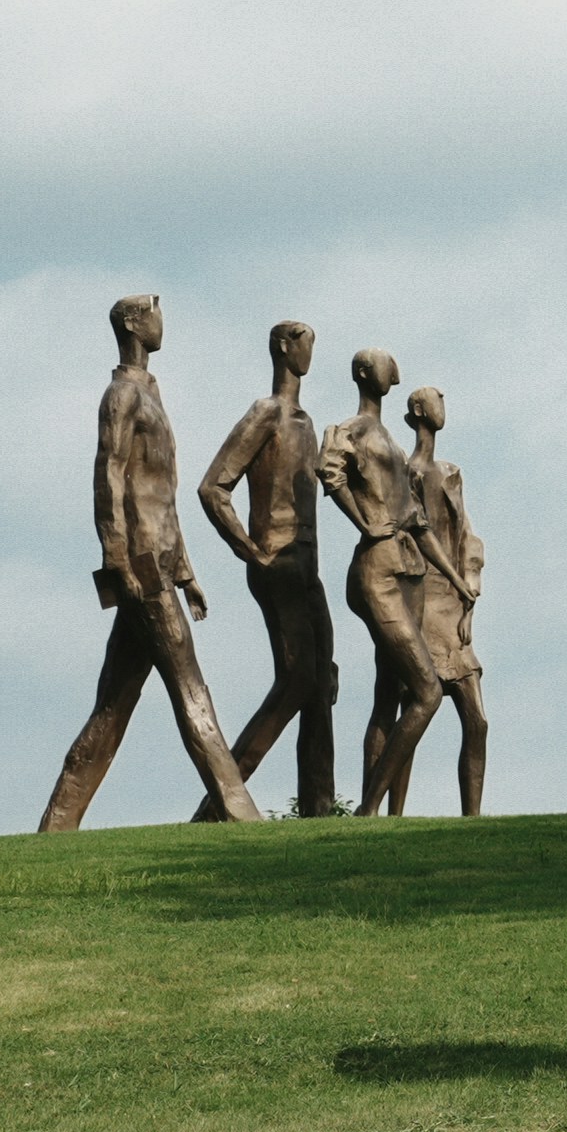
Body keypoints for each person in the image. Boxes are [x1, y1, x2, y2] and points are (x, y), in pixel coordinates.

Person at [37, 294, 264, 830]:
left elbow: (163, 492)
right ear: (135, 324)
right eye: (156, 313)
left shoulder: (150, 395)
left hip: (160, 561)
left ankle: (57, 823)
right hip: (140, 565)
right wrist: (116, 556)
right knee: (191, 688)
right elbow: (109, 476)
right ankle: (240, 813)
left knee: (113, 706)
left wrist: (187, 573)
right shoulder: (120, 396)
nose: (164, 322)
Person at [193, 318, 341, 818]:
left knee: (321, 686)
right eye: (305, 343)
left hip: (308, 569)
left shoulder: (307, 423)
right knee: (298, 681)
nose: (311, 353)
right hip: (277, 563)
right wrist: (251, 551)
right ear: (283, 347)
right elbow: (213, 487)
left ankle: (320, 812)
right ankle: (220, 804)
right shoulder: (266, 413)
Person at [316, 348, 443, 815]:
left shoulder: (387, 436)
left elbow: (417, 519)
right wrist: (364, 523)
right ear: (366, 374)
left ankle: (390, 817)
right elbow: (328, 470)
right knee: (428, 692)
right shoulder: (354, 430)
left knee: (393, 694)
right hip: (377, 572)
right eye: (385, 362)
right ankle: (368, 810)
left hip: (405, 568)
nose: (396, 367)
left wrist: (454, 578)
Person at [406, 384, 488, 817]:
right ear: (420, 410)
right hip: (418, 599)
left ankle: (471, 818)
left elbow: (469, 538)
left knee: (477, 719)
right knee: (411, 709)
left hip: (453, 603)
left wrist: (469, 589)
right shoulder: (404, 473)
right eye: (436, 398)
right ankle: (385, 815)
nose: (444, 404)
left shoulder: (451, 473)